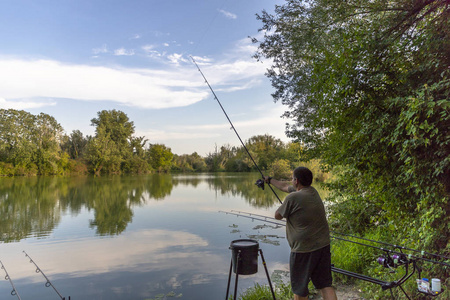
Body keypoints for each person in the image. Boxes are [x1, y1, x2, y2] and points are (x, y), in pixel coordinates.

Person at [265, 167, 337, 300]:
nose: (291, 181)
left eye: (292, 178)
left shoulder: (293, 198)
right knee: (325, 284)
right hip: (322, 246)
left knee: (300, 288)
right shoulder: (312, 192)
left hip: (303, 250)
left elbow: (277, 215)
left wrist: (287, 206)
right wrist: (269, 180)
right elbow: (284, 186)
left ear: (296, 181)